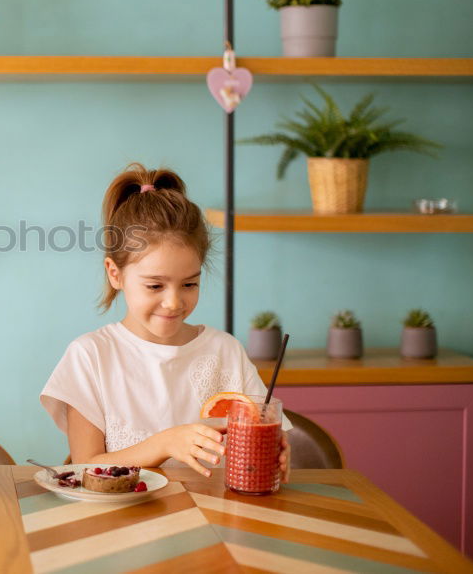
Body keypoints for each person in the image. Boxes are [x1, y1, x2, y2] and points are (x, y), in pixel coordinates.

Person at [40, 163, 290, 478]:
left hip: (215, 519)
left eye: (189, 284)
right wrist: (165, 443)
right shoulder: (90, 356)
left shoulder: (225, 351)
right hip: (123, 524)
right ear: (115, 274)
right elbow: (86, 465)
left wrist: (277, 447)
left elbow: (262, 425)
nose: (173, 302)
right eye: (155, 286)